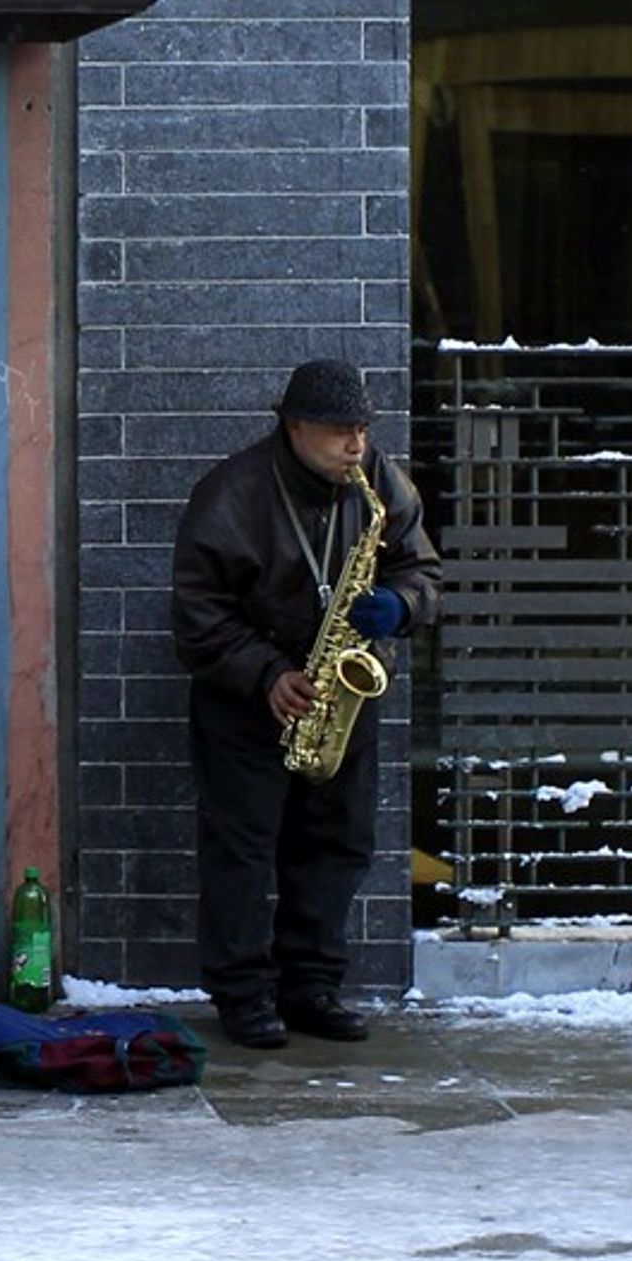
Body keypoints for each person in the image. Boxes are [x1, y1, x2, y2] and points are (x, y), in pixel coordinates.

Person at [170, 359, 438, 1049]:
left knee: (337, 842)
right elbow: (197, 615)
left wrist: (399, 605)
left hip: (341, 692)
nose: (356, 444)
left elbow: (420, 569)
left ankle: (311, 986)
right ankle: (242, 994)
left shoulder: (377, 482)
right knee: (243, 851)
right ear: (294, 428)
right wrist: (267, 675)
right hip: (247, 703)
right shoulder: (230, 493)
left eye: (361, 428)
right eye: (340, 430)